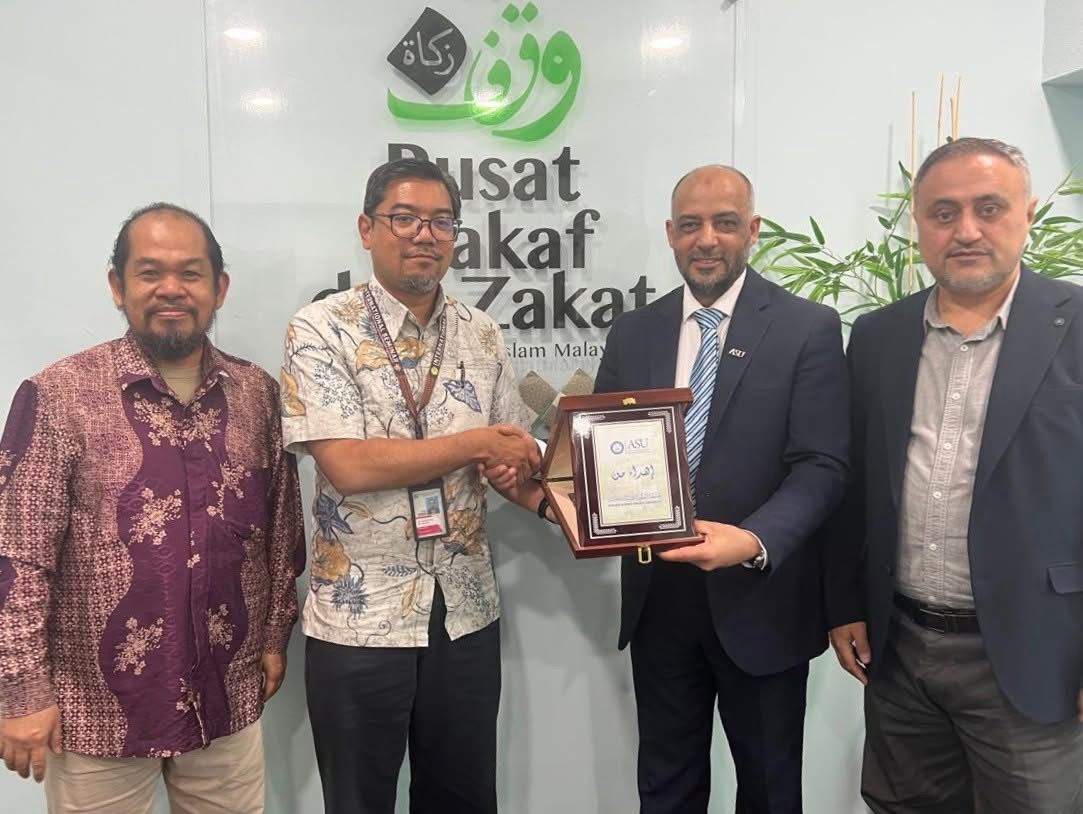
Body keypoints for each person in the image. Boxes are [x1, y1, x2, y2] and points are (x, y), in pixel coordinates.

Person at [0, 203, 305, 813]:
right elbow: (17, 554)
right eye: (150, 272)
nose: (171, 288)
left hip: (226, 694)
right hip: (97, 712)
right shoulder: (60, 394)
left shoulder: (257, 394)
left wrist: (275, 635)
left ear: (219, 288)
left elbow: (281, 530)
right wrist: (21, 689)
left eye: (190, 273)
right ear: (118, 286)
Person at [825, 137, 1083, 813]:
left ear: (1027, 213)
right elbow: (854, 485)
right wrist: (844, 603)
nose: (965, 230)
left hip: (1036, 654)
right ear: (918, 225)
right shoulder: (878, 336)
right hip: (900, 650)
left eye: (988, 208)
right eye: (943, 213)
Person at [280, 157, 542, 814]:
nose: (424, 234)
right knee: (358, 801)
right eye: (404, 218)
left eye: (440, 221)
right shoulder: (321, 328)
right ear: (367, 229)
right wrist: (476, 444)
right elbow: (347, 465)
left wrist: (575, 510)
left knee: (463, 799)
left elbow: (508, 460)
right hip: (360, 619)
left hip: (465, 613)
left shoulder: (481, 332)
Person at [593, 165, 849, 813]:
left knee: (768, 791)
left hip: (760, 599)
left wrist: (753, 540)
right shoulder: (634, 332)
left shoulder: (807, 327)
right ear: (670, 233)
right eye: (690, 225)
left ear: (752, 230)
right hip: (658, 599)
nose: (706, 239)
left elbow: (822, 464)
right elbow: (600, 455)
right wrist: (566, 488)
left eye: (725, 223)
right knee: (666, 787)